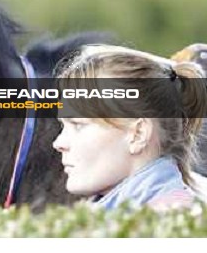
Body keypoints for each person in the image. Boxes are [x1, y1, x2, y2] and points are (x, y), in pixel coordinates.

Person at [52, 45, 207, 211]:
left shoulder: (172, 222)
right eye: (63, 125)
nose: (58, 143)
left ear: (138, 134)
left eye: (78, 124)